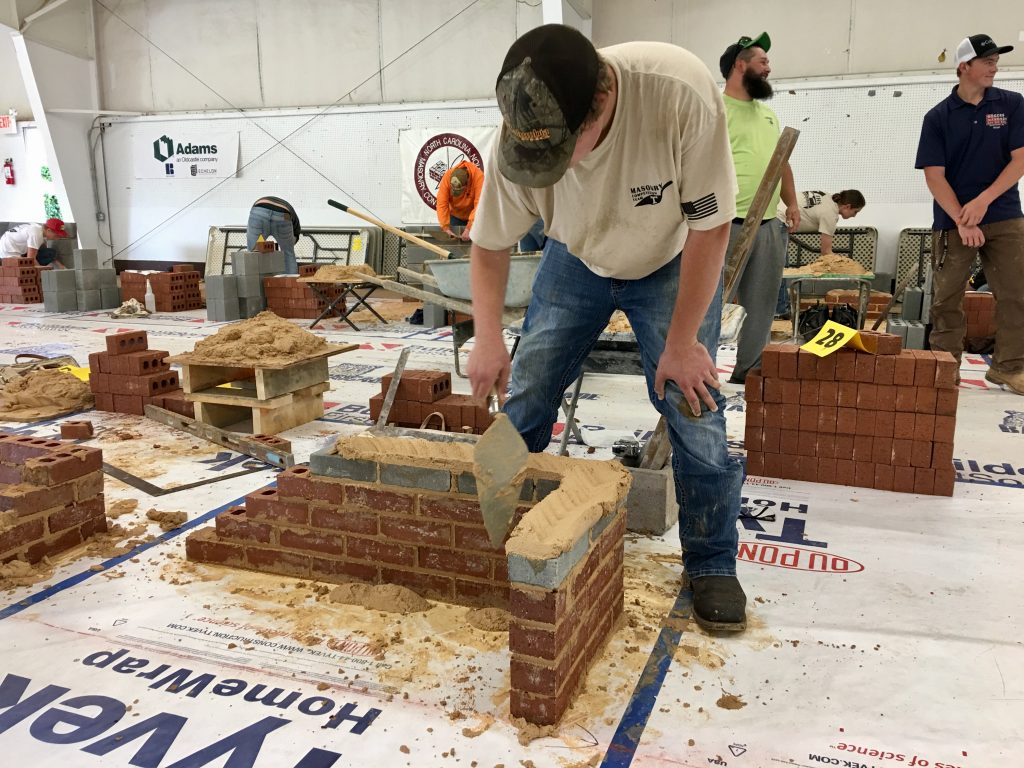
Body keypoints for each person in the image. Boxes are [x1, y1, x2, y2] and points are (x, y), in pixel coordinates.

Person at [468, 24, 747, 632]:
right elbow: (488, 246)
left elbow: (711, 227)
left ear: (600, 103)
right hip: (575, 259)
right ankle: (488, 533)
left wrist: (682, 343)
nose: (549, 169)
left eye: (562, 151)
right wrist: (487, 337)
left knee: (694, 406)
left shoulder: (678, 93)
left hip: (671, 258)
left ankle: (712, 562)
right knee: (527, 393)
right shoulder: (519, 134)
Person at [915, 33, 1024, 395]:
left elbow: (1020, 160)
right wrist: (963, 218)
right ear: (964, 66)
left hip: (1004, 215)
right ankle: (945, 366)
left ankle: (1008, 367)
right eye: (988, 61)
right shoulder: (938, 117)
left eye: (996, 61)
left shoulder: (1011, 105)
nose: (995, 68)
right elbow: (934, 175)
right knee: (947, 297)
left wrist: (983, 202)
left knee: (1016, 294)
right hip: (952, 221)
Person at [719, 32, 800, 384]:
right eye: (762, 61)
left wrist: (791, 202)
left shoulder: (768, 115)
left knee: (762, 303)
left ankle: (748, 372)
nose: (769, 68)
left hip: (767, 225)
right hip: (724, 224)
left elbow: (781, 161)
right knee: (710, 304)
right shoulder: (715, 110)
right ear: (740, 65)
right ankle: (699, 371)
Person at [774, 189, 867, 316]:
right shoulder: (830, 213)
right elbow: (826, 252)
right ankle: (780, 310)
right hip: (778, 221)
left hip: (775, 218)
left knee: (780, 268)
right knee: (780, 269)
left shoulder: (827, 199)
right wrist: (848, 269)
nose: (854, 216)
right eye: (855, 212)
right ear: (847, 206)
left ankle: (780, 308)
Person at [247, 197, 300, 274]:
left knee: (252, 253)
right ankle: (291, 281)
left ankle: (251, 280)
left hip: (259, 212)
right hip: (283, 215)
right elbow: (290, 243)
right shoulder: (296, 227)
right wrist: (288, 246)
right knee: (288, 254)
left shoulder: (295, 220)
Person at [436, 161, 484, 241]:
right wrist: (445, 228)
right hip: (455, 215)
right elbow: (441, 203)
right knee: (453, 241)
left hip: (475, 216)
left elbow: (479, 205)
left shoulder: (479, 178)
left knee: (477, 242)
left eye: (459, 191)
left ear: (467, 183)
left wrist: (469, 228)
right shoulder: (447, 176)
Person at [0, 218, 70, 268]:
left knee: (50, 253)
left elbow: (45, 251)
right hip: (8, 252)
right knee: (25, 269)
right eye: (57, 235)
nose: (57, 238)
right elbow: (30, 260)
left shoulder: (39, 230)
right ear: (48, 230)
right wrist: (44, 271)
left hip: (17, 249)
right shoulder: (36, 234)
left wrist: (60, 265)